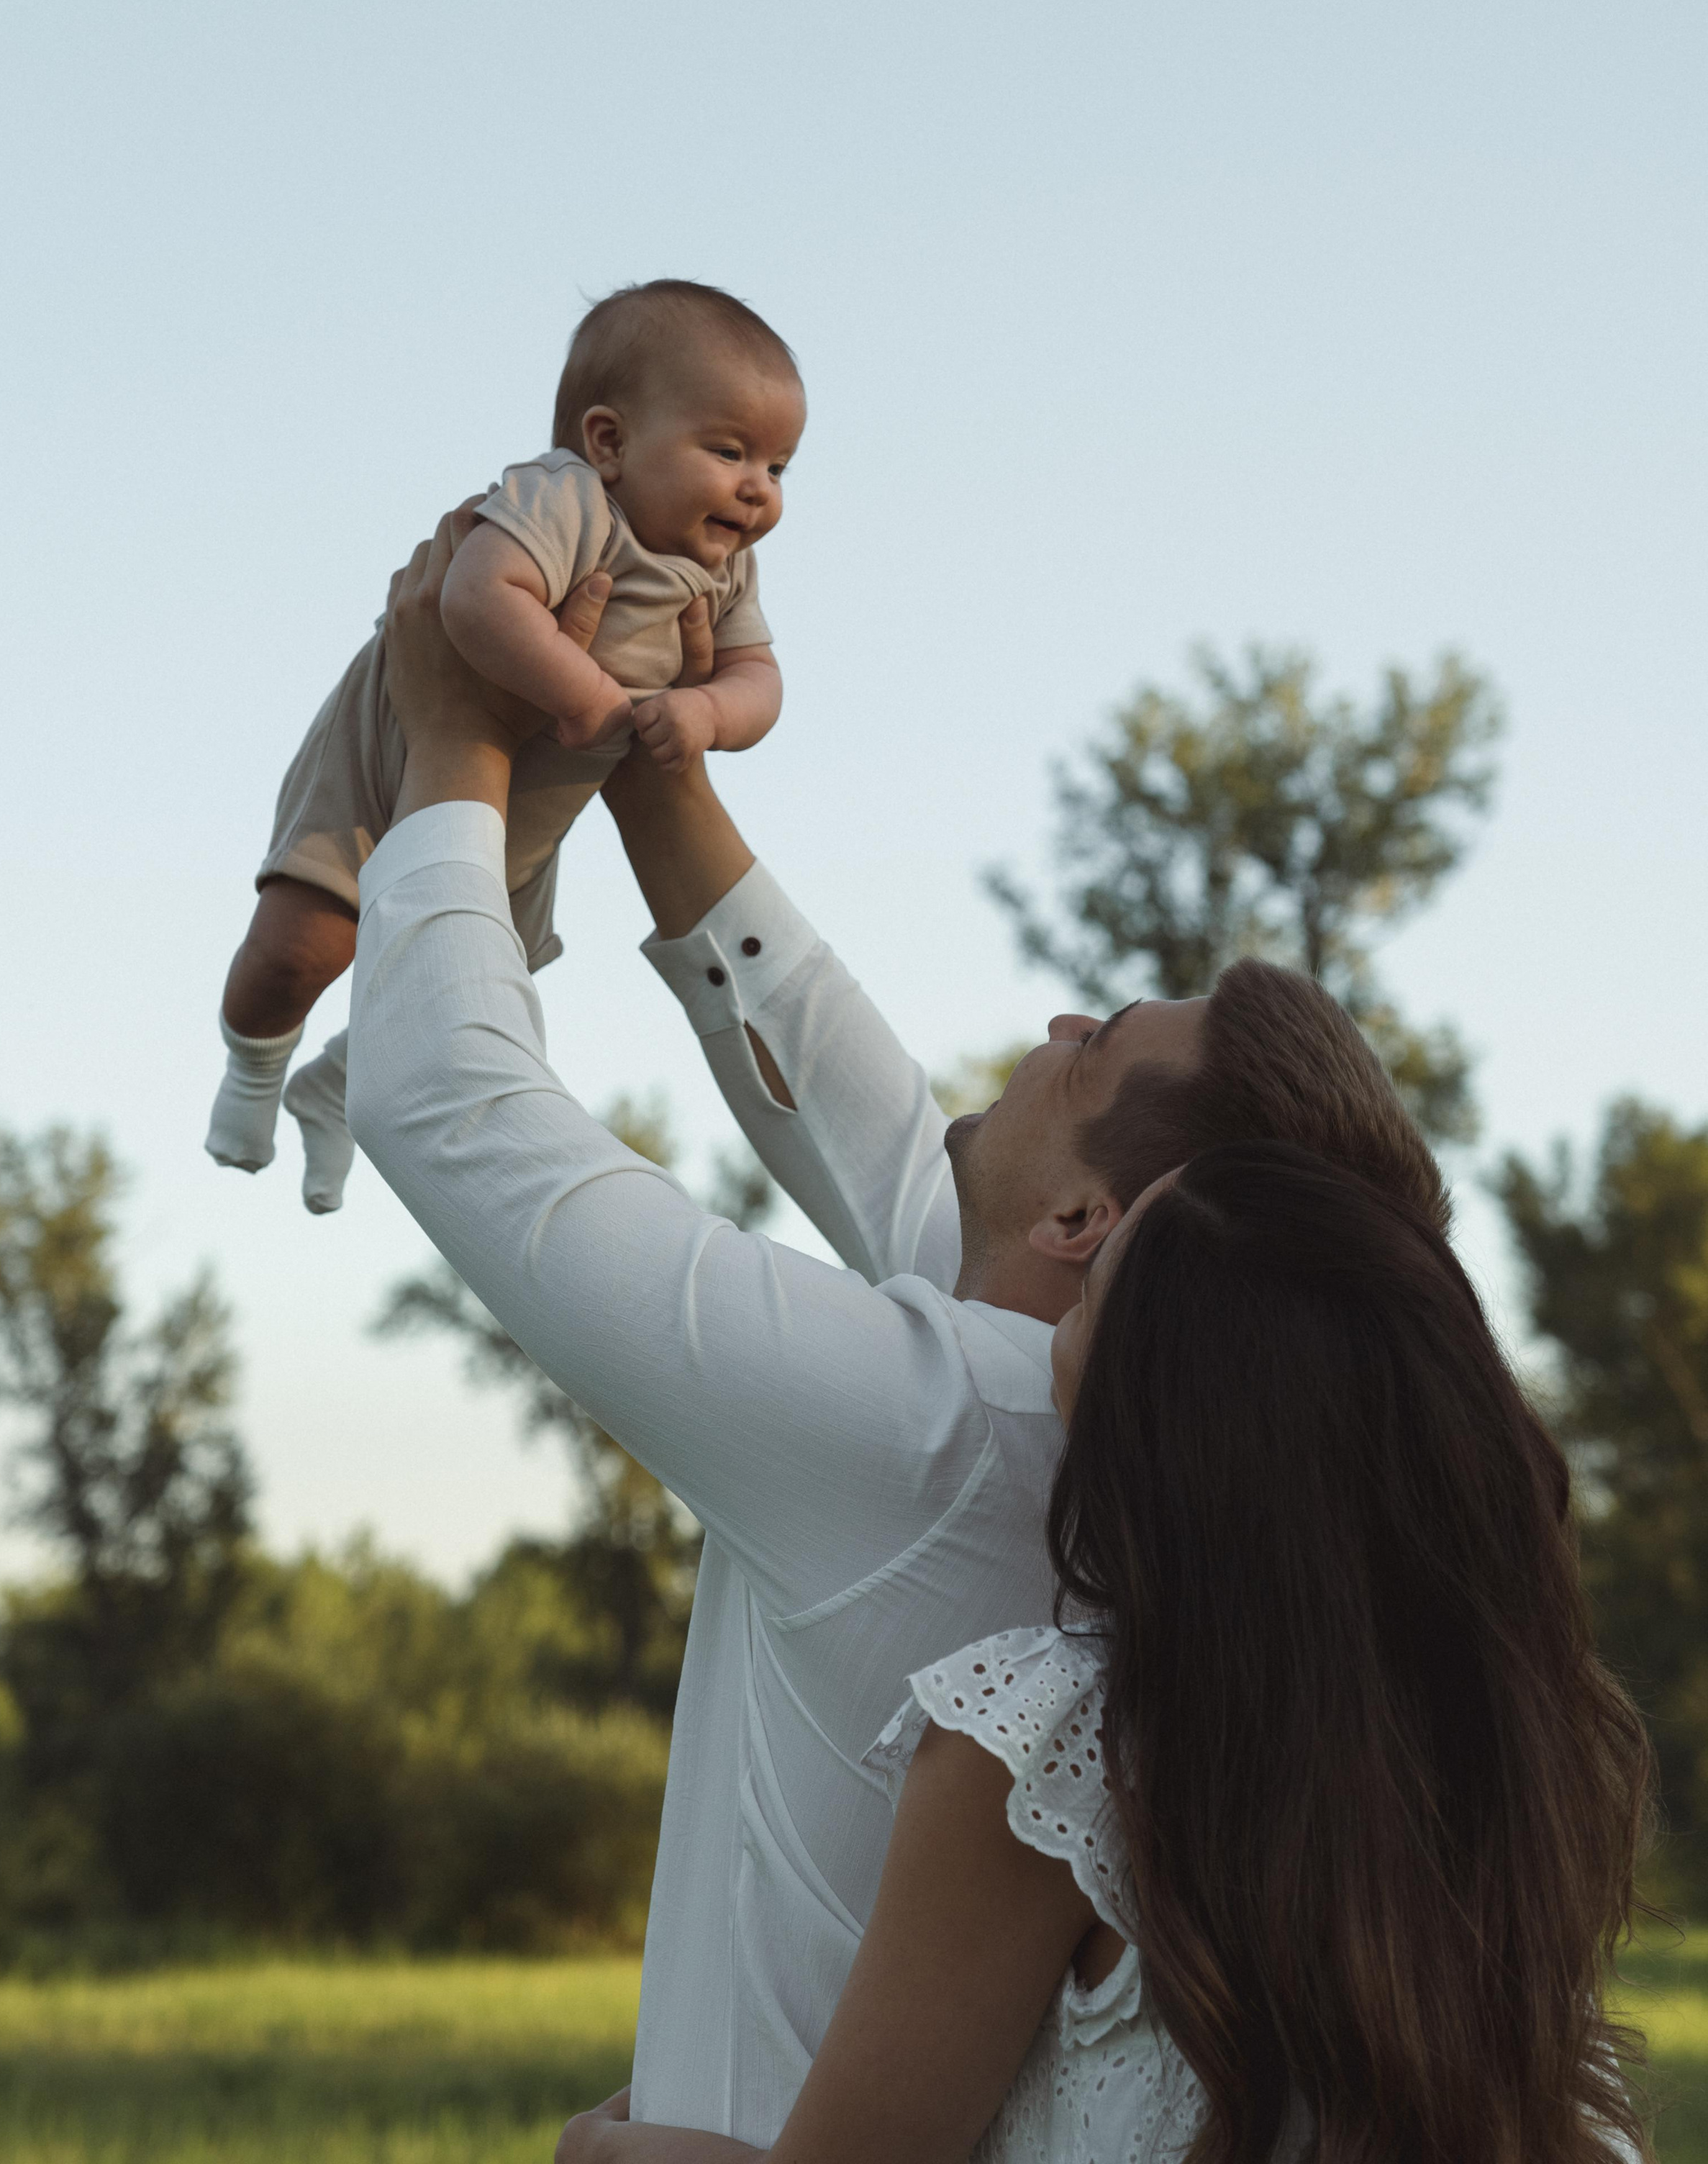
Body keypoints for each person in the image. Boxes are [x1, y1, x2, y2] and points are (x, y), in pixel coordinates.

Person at [345, 509, 1457, 2147]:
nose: (1060, 1018)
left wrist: (446, 744)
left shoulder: (932, 1427)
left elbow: (451, 1105)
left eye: (1092, 1050)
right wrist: (658, 764)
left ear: (1091, 1230)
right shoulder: (1098, 1404)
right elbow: (864, 1115)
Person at [555, 1142, 1653, 2164]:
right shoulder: (1513, 1751)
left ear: (1160, 1417)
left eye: (1087, 1296)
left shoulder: (1055, 1744)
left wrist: (607, 2152)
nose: (1055, 1317)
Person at [205, 279, 801, 1210]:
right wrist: (599, 698)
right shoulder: (567, 500)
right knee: (304, 945)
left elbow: (759, 679)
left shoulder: (725, 571)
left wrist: (709, 714)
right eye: (729, 451)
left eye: (779, 466)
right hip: (400, 750)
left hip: (526, 810)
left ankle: (336, 1089)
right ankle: (254, 1068)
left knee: (458, 997)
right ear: (608, 442)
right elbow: (481, 598)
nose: (758, 487)